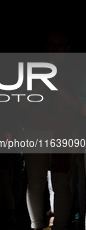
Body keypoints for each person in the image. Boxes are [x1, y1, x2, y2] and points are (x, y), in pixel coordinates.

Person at [20, 32, 83, 230]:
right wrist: (42, 84)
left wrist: (56, 85)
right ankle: (36, 225)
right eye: (51, 44)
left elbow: (80, 106)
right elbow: (22, 103)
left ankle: (60, 226)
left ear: (67, 49)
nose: (55, 48)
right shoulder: (34, 70)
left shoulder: (77, 72)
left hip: (65, 130)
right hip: (35, 129)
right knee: (35, 184)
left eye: (60, 44)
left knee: (61, 185)